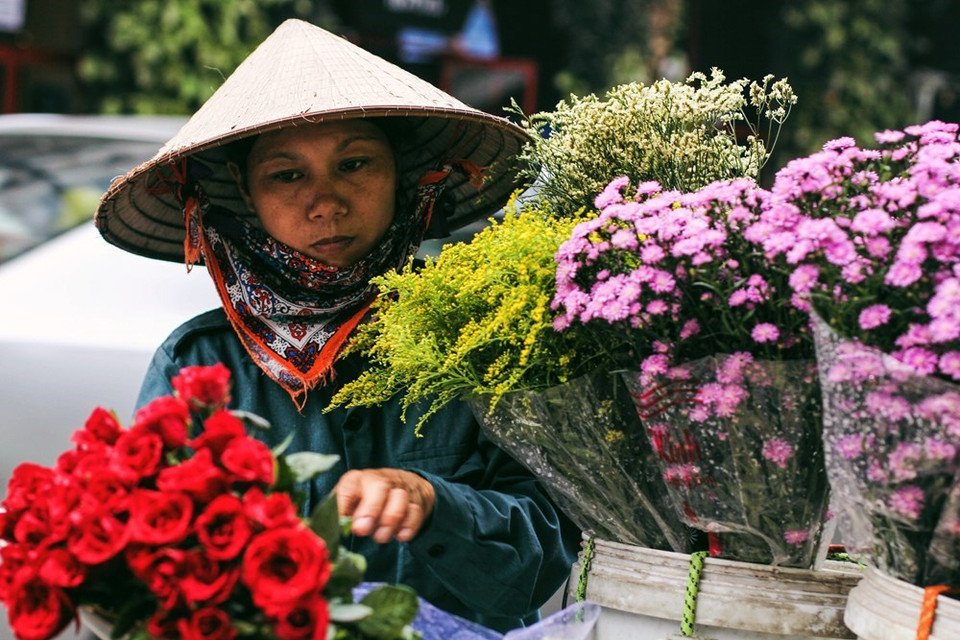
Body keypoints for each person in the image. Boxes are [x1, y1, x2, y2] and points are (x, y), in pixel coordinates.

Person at [95, 19, 581, 633]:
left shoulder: (476, 346)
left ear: (401, 176)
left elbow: (540, 566)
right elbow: (152, 564)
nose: (326, 201)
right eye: (287, 174)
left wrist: (434, 502)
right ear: (247, 196)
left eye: (355, 163)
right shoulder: (198, 365)